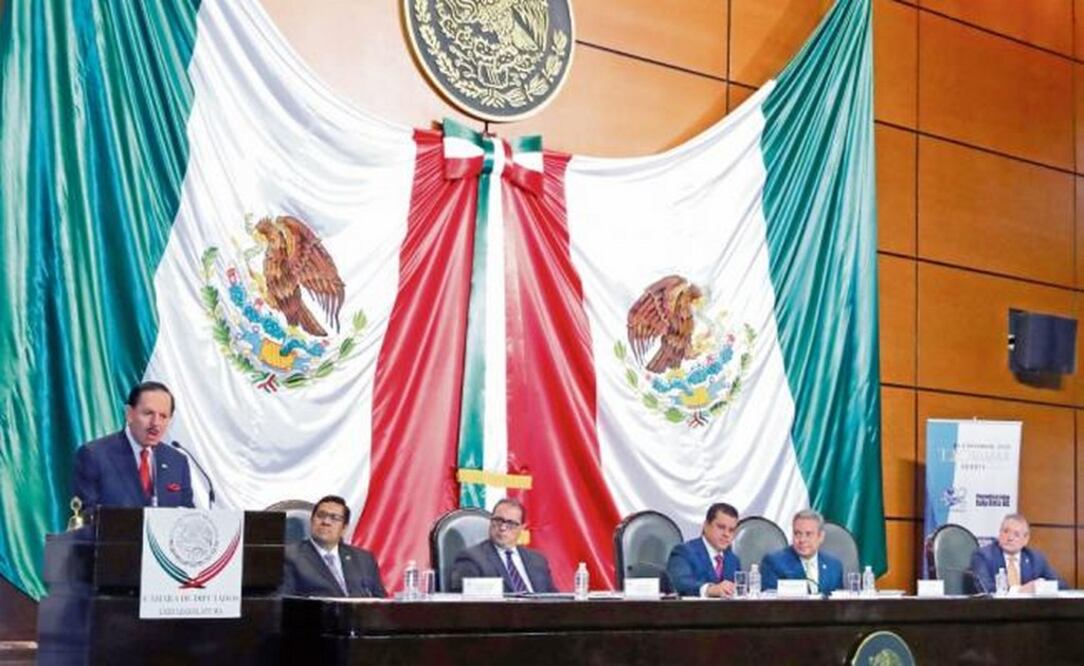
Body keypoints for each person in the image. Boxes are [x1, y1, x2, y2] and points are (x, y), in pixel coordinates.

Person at [72, 381, 194, 512]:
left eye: (163, 416)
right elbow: (86, 516)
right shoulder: (94, 456)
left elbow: (187, 518)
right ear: (129, 414)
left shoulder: (177, 461)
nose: (156, 423)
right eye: (148, 413)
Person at [283, 495, 387, 597]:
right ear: (311, 521)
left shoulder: (364, 559)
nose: (326, 522)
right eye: (320, 516)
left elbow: (381, 601)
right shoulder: (289, 556)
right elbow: (282, 602)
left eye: (334, 518)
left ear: (344, 528)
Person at [448, 498, 557, 593]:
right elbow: (465, 607)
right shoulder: (472, 558)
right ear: (491, 521)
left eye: (510, 523)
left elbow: (554, 599)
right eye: (498, 520)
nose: (503, 528)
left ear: (522, 527)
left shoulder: (537, 560)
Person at [970, 513, 1065, 593]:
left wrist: (1039, 587)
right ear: (999, 533)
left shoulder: (1035, 558)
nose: (1010, 538)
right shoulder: (983, 556)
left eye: (1016, 534)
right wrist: (1020, 590)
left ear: (1025, 540)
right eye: (1006, 531)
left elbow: (1061, 585)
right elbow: (984, 589)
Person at [760, 509, 843, 595]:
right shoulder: (774, 563)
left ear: (821, 537)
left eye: (808, 534)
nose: (802, 540)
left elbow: (841, 603)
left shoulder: (834, 565)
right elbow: (770, 604)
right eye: (797, 534)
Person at [666, 502, 741, 597]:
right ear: (706, 526)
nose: (726, 534)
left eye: (731, 530)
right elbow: (679, 583)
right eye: (721, 527)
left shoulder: (733, 560)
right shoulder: (684, 551)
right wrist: (709, 590)